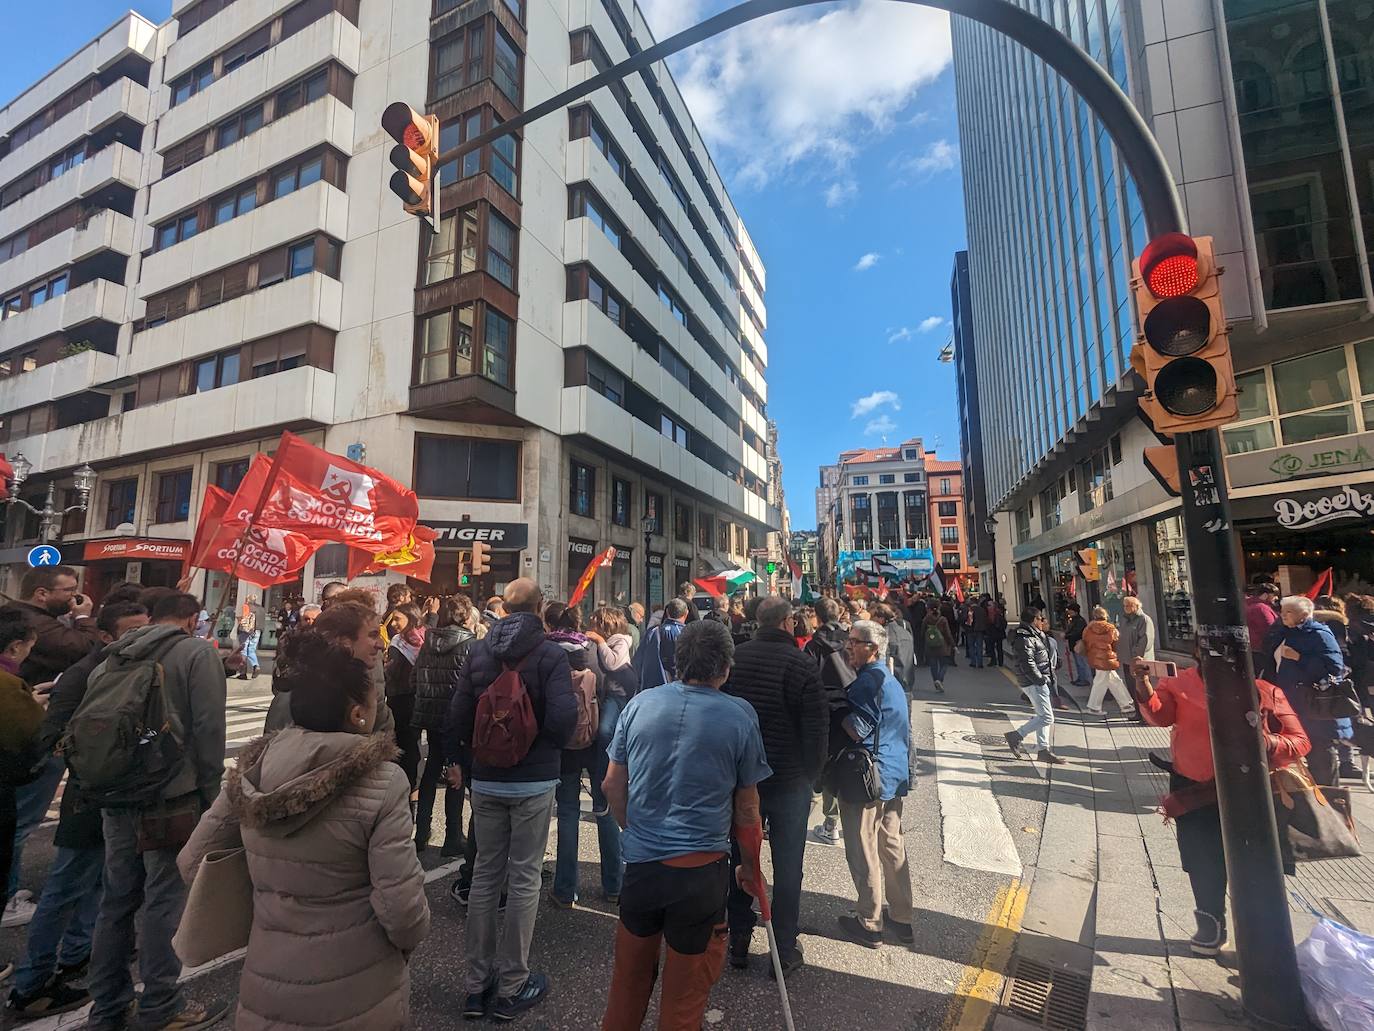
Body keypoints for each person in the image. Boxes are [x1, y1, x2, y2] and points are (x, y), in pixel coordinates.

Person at [179, 631, 430, 1030]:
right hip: (357, 980)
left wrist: (270, 896)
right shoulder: (383, 782)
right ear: (358, 714)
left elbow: (193, 862)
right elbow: (402, 908)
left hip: (267, 973)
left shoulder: (251, 769)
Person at [600, 620, 771, 1029]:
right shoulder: (739, 715)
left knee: (627, 985)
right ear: (725, 668)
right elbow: (747, 810)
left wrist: (633, 829)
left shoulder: (640, 704)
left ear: (676, 662)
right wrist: (751, 867)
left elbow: (611, 784)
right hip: (701, 872)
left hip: (643, 868)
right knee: (683, 999)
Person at [84, 592, 228, 1031]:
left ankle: (106, 1007)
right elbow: (208, 729)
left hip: (115, 793)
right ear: (189, 619)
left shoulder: (113, 655)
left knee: (116, 900)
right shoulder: (195, 652)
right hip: (171, 797)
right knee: (164, 901)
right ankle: (160, 1006)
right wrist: (209, 792)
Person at [6, 603, 149, 1018]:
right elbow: (52, 736)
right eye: (132, 630)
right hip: (89, 797)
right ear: (106, 636)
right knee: (65, 887)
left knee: (101, 883)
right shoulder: (86, 674)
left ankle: (78, 952)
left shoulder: (130, 669)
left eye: (146, 628)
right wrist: (92, 757)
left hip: (118, 797)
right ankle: (32, 983)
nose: (143, 636)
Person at [445, 579, 576, 1021]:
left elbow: (458, 714)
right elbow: (562, 718)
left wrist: (467, 756)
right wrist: (545, 747)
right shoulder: (550, 655)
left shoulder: (480, 652)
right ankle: (513, 983)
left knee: (485, 877)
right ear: (539, 608)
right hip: (533, 781)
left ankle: (476, 984)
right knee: (523, 880)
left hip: (486, 778)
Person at [1133, 651, 1309, 956]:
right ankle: (1210, 922)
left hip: (1252, 791)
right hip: (1197, 788)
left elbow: (1300, 741)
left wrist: (1266, 742)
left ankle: (1260, 937)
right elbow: (1159, 716)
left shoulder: (1265, 689)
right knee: (1202, 860)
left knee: (1255, 864)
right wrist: (1144, 684)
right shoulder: (1180, 684)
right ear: (1197, 653)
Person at [723, 596, 827, 975]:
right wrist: (813, 776)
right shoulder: (802, 663)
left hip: (744, 778)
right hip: (788, 779)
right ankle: (783, 947)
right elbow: (817, 728)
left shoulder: (737, 657)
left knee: (741, 858)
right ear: (787, 623)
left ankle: (738, 937)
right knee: (788, 864)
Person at [835, 620, 914, 948]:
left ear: (874, 648)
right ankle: (902, 917)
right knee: (890, 844)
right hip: (893, 773)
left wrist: (836, 710)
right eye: (849, 640)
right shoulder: (889, 678)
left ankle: (869, 921)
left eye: (855, 641)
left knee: (864, 845)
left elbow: (858, 728)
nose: (848, 646)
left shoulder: (868, 681)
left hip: (868, 776)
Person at [547, 606, 622, 910]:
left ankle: (566, 890)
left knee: (567, 812)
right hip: (597, 740)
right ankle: (614, 885)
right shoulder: (596, 652)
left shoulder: (549, 652)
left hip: (565, 742)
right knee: (604, 811)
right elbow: (616, 688)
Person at [265, 599, 394, 738]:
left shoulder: (363, 681)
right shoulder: (302, 695)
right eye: (373, 635)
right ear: (343, 641)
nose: (382, 644)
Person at [412, 596, 477, 855]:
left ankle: (421, 832)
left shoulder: (427, 641)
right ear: (465, 616)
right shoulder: (470, 644)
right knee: (456, 773)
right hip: (455, 715)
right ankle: (452, 835)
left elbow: (414, 676)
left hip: (429, 712)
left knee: (431, 771)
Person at [0, 613, 43, 986]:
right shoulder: (8, 686)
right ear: (15, 647)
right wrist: (35, 706)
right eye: (30, 647)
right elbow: (30, 738)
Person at [1264, 595, 1349, 786]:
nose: (1283, 616)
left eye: (1289, 612)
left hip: (1313, 703)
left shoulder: (1320, 634)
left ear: (1304, 614)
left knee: (1320, 751)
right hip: (1287, 701)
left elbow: (1334, 668)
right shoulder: (1282, 634)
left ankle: (1330, 799)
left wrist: (1299, 658)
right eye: (1282, 611)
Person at [805, 597, 854, 846]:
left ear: (818, 616)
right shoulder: (851, 639)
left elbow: (807, 679)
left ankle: (829, 822)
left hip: (823, 709)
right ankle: (845, 820)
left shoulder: (814, 646)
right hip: (850, 708)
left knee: (823, 763)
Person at [1005, 610, 1065, 765]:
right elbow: (1028, 662)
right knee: (1047, 717)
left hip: (1037, 680)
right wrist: (1040, 679)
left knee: (1041, 716)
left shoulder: (1034, 634)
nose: (1043, 620)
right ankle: (1016, 735)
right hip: (1034, 682)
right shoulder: (1025, 637)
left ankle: (1043, 750)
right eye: (1040, 618)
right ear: (1033, 620)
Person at [383, 602, 425, 792]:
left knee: (403, 745)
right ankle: (413, 789)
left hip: (400, 699)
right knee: (412, 745)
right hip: (418, 698)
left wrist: (384, 669)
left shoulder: (398, 643)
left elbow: (390, 672)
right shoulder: (426, 638)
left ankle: (404, 789)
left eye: (398, 619)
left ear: (411, 619)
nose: (393, 624)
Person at [1083, 606, 1136, 717]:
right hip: (1108, 658)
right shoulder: (1110, 628)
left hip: (1095, 657)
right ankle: (1094, 707)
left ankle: (1126, 704)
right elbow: (1116, 642)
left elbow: (1085, 642)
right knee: (1102, 681)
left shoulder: (1088, 628)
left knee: (1112, 680)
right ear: (1105, 615)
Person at [637, 598, 688, 692]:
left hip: (651, 688)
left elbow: (638, 661)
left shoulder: (652, 632)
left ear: (667, 612)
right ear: (686, 614)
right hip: (678, 689)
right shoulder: (687, 633)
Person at [1115, 596, 1155, 699]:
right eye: (1125, 605)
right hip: (1127, 660)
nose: (1126, 608)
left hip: (1139, 661)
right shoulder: (1124, 619)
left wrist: (1135, 655)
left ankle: (1144, 712)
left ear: (1136, 606)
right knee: (1131, 687)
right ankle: (1137, 710)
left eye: (1129, 605)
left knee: (1141, 687)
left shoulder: (1144, 619)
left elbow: (1145, 641)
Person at [873, 604, 916, 694]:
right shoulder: (905, 633)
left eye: (873, 617)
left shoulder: (884, 635)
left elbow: (888, 661)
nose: (872, 620)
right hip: (908, 679)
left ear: (881, 619)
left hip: (892, 682)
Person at [1245, 583, 1280, 677]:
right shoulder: (1261, 608)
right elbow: (1270, 629)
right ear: (1265, 595)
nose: (1276, 598)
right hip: (1262, 650)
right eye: (1274, 595)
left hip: (1252, 648)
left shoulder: (1247, 605)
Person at [921, 603, 955, 693]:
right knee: (944, 664)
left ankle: (935, 679)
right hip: (942, 645)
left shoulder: (926, 619)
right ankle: (939, 679)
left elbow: (922, 631)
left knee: (933, 665)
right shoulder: (943, 619)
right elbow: (948, 633)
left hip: (931, 645)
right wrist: (953, 644)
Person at [236, 593, 265, 680]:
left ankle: (243, 673)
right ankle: (256, 666)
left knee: (243, 650)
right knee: (251, 649)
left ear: (248, 599)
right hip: (257, 630)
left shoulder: (247, 606)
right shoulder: (261, 608)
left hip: (247, 630)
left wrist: (239, 620)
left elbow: (245, 619)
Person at [1063, 602, 1090, 686]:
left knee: (1080, 662)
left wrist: (1066, 635)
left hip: (1078, 644)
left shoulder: (1079, 621)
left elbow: (1077, 633)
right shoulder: (1073, 620)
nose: (1069, 613)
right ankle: (1080, 678)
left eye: (1070, 611)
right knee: (1078, 662)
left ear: (1075, 611)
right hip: (1074, 644)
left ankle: (1083, 679)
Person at [965, 596, 989, 669]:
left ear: (972, 602)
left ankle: (973, 662)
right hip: (980, 630)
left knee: (971, 646)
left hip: (971, 630)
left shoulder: (970, 610)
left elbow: (969, 621)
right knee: (979, 647)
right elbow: (985, 619)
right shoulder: (982, 610)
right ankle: (980, 663)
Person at [985, 598, 1007, 667]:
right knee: (993, 648)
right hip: (994, 633)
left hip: (996, 633)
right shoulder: (989, 613)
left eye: (989, 605)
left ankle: (998, 662)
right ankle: (995, 661)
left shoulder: (997, 614)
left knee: (998, 648)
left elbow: (1003, 623)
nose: (988, 607)